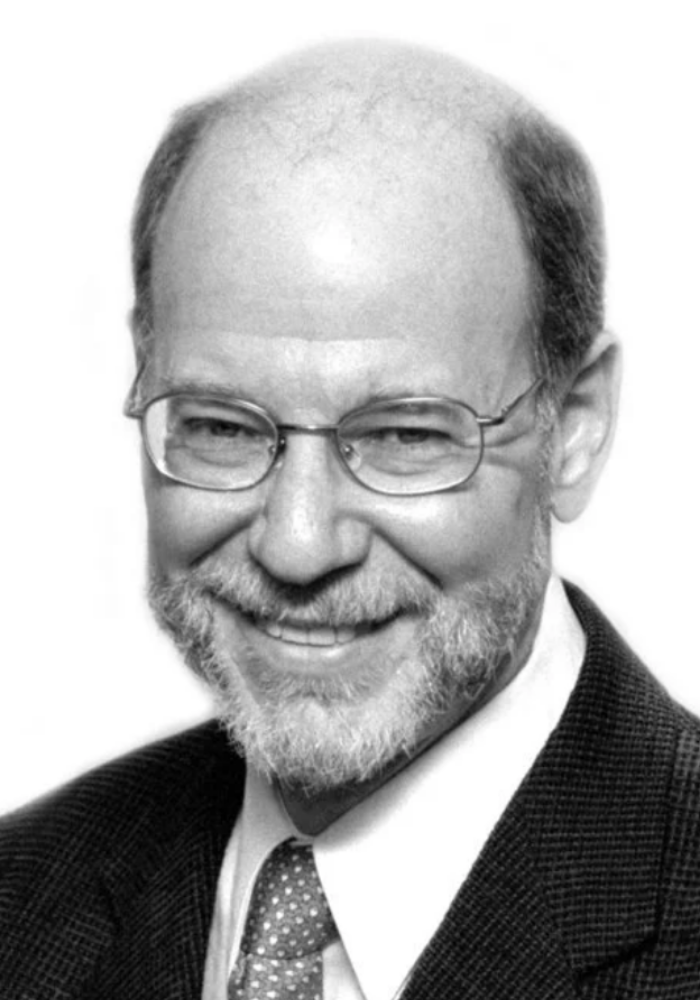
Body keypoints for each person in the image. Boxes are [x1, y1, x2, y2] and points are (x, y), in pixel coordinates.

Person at [1, 39, 699, 1000]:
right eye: (221, 426)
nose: (297, 545)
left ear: (573, 427)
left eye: (406, 435)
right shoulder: (21, 895)